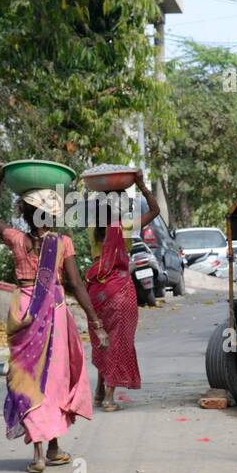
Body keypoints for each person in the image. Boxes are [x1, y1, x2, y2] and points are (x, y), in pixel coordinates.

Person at [0, 163, 105, 473]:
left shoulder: (16, 239)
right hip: (54, 311)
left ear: (25, 215)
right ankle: (52, 448)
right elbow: (77, 285)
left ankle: (41, 452)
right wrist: (95, 321)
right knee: (54, 381)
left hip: (24, 311)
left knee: (27, 380)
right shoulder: (63, 243)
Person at [86, 173, 158, 411]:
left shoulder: (92, 227)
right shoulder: (124, 226)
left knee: (102, 339)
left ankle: (98, 392)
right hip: (119, 288)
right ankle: (108, 398)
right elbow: (155, 210)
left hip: (96, 290)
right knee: (119, 342)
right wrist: (140, 185)